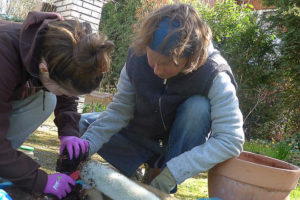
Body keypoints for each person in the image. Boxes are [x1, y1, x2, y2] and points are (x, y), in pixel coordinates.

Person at [76, 3, 244, 194]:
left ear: (190, 58)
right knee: (81, 126)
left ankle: (161, 176)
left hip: (175, 150)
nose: (156, 70)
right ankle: (134, 174)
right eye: (152, 60)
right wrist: (84, 148)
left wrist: (173, 172)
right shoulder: (136, 57)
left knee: (199, 108)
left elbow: (231, 139)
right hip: (138, 138)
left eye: (165, 64)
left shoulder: (214, 74)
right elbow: (119, 111)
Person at [0, 11, 114, 199]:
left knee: (48, 99)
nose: (68, 97)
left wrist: (69, 132)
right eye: (65, 91)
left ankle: (7, 166)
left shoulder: (55, 50)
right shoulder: (4, 56)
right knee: (48, 99)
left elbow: (64, 93)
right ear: (44, 68)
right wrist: (40, 180)